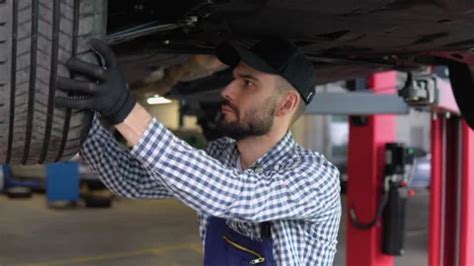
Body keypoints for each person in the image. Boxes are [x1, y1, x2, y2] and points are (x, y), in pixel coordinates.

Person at [56, 37, 341, 265]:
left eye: (248, 83)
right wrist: (83, 115)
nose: (226, 90)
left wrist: (125, 110)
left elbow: (234, 195)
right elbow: (130, 178)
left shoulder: (315, 177)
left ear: (285, 105)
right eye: (233, 78)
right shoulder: (221, 156)